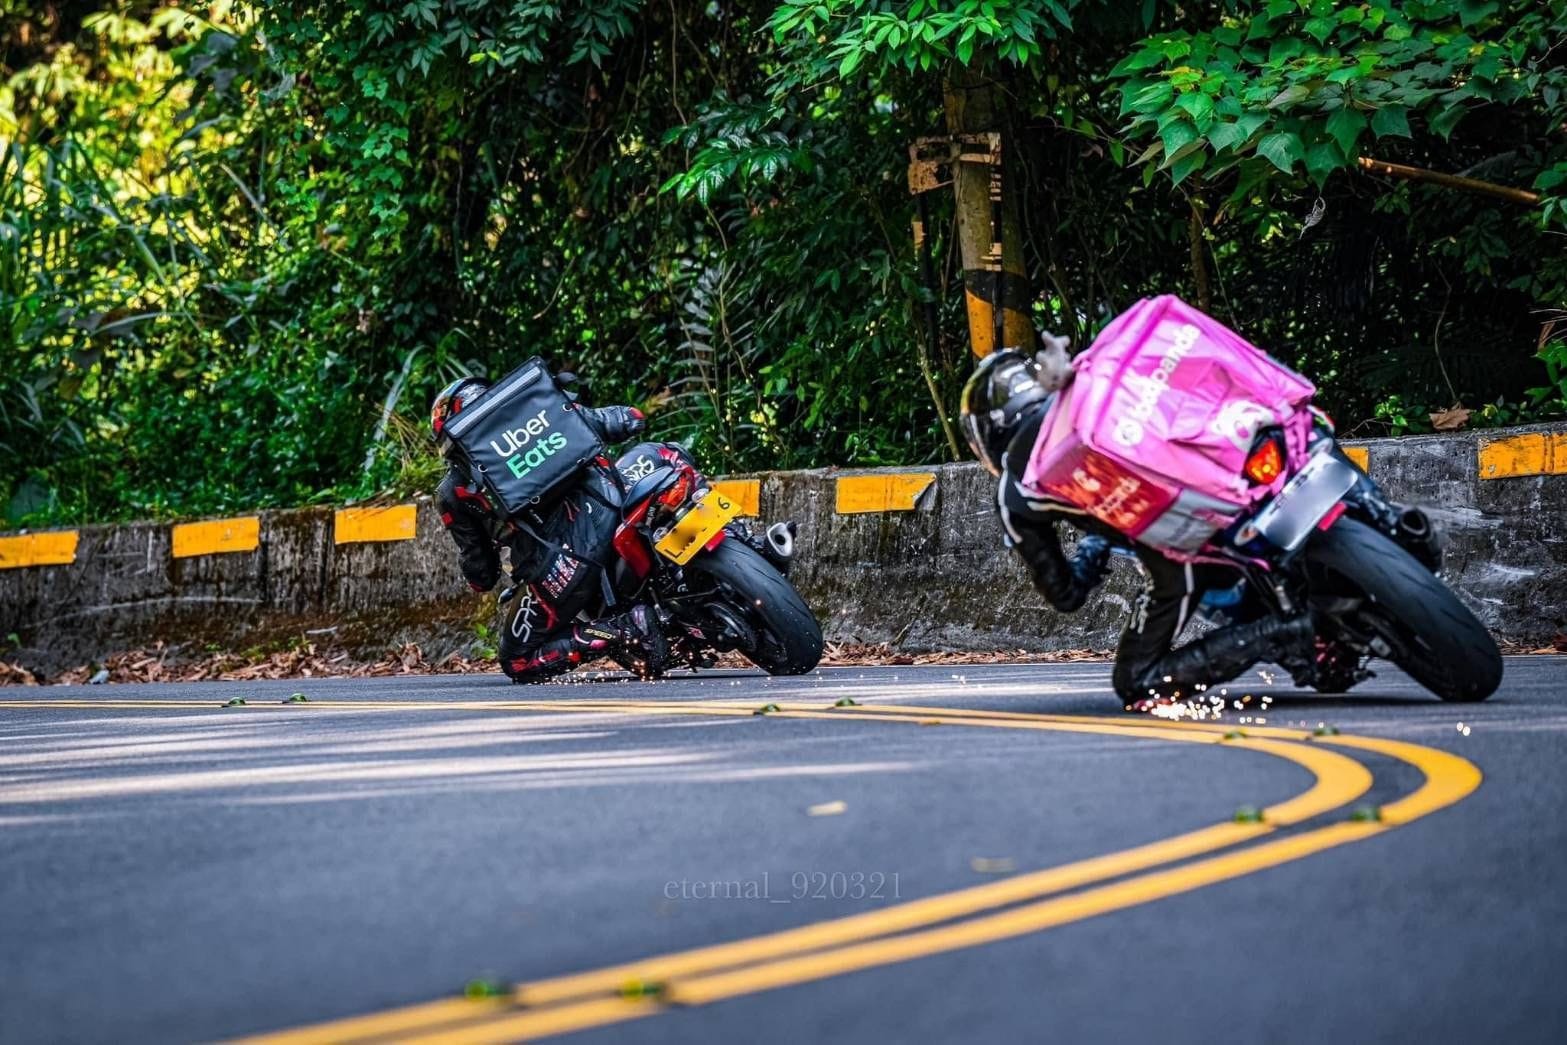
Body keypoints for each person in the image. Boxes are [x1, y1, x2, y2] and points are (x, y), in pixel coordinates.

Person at [961, 342, 1328, 712]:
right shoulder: (1100, 381)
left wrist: (1094, 546)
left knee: (1136, 682)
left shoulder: (1017, 490)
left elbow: (1066, 595)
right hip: (1238, 454)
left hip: (1179, 543)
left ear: (989, 433)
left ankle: (1281, 632)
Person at [430, 374, 670, 682]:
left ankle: (625, 627)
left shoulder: (453, 491)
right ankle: (737, 537)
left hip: (565, 561)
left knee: (517, 661)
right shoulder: (541, 415)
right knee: (663, 451)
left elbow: (482, 574)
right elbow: (623, 419)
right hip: (614, 501)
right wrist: (628, 417)